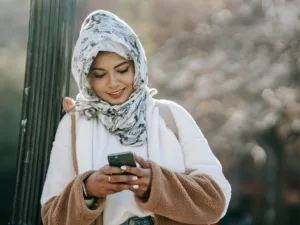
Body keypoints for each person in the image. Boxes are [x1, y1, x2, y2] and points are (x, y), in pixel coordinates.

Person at [41, 10, 231, 225]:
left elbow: (217, 201)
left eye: (122, 70)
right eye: (100, 74)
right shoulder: (74, 125)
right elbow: (51, 217)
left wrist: (156, 186)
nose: (113, 82)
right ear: (86, 77)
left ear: (137, 66)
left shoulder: (171, 115)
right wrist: (88, 189)